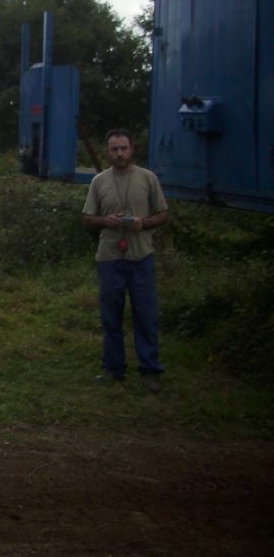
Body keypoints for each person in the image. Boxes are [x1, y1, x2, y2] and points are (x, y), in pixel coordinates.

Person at [82, 129, 169, 393]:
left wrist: (144, 223)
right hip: (110, 257)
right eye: (114, 149)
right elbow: (87, 218)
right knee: (111, 316)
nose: (119, 154)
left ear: (132, 150)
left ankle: (150, 370)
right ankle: (113, 369)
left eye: (123, 148)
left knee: (145, 315)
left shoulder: (147, 178)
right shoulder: (99, 181)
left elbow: (163, 213)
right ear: (108, 152)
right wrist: (104, 221)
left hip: (141, 256)